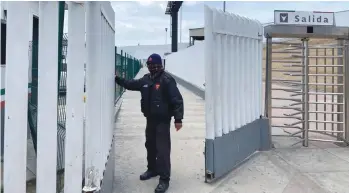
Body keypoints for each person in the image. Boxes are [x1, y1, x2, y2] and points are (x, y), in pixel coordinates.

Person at [115, 53, 184, 193]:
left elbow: (177, 100)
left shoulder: (167, 80)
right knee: (150, 145)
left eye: (155, 65)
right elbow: (130, 84)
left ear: (160, 65)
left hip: (163, 121)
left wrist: (178, 119)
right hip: (150, 120)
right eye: (150, 65)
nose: (152, 67)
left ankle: (164, 180)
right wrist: (117, 79)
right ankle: (152, 169)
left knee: (163, 150)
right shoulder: (145, 80)